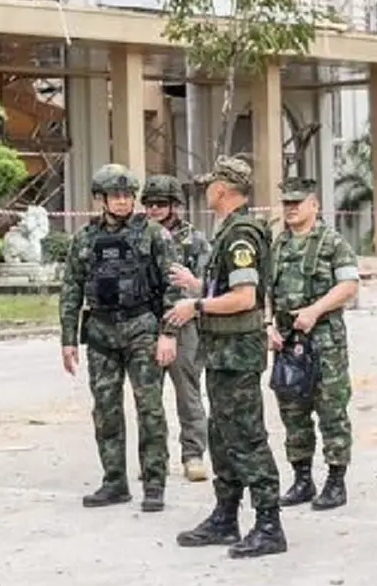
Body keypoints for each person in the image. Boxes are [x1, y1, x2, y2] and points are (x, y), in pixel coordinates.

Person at [170, 155, 287, 559]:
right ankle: (225, 516)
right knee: (221, 437)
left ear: (221, 189)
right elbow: (228, 287)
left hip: (237, 354)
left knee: (246, 436)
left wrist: (197, 305)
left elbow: (244, 298)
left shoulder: (240, 237)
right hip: (222, 353)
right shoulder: (229, 232)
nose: (206, 191)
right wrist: (198, 284)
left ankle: (269, 524)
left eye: (209, 185)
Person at [60, 164, 181, 513]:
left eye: (128, 195)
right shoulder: (84, 238)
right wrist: (68, 339)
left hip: (142, 328)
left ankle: (154, 483)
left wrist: (168, 333)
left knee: (150, 410)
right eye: (116, 196)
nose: (124, 202)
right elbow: (71, 289)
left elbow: (172, 284)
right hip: (100, 333)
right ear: (101, 199)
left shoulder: (153, 234)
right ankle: (114, 481)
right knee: (106, 411)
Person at [267, 177, 360, 511]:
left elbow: (349, 284)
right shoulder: (278, 246)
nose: (291, 209)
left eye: (297, 203)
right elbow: (266, 290)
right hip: (288, 342)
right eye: (286, 204)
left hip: (325, 342)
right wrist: (268, 327)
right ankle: (302, 479)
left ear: (314, 205)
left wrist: (315, 310)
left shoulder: (332, 243)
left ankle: (336, 481)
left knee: (331, 410)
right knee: (293, 411)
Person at [139, 173, 211, 482]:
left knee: (188, 392)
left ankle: (193, 454)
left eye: (161, 204)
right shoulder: (138, 235)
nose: (154, 209)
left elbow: (210, 288)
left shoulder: (193, 240)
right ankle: (154, 459)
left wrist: (193, 288)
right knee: (147, 395)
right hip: (146, 324)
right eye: (150, 204)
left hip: (184, 325)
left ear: (174, 206)